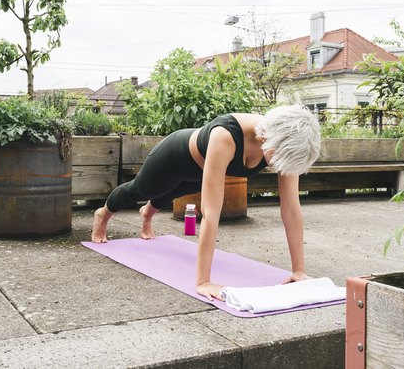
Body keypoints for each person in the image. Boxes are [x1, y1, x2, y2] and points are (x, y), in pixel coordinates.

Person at [91, 105, 321, 301]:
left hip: (199, 171)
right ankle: (103, 214)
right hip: (174, 156)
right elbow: (211, 212)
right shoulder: (227, 135)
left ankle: (147, 213)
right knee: (141, 189)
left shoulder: (286, 145)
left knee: (169, 194)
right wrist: (204, 281)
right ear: (267, 139)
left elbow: (291, 209)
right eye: (279, 159)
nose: (279, 167)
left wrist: (299, 271)